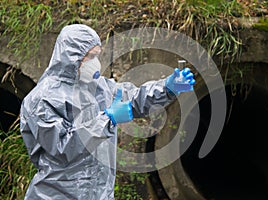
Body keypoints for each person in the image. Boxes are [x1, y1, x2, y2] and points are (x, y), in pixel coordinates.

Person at [20, 24, 195, 199]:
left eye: (98, 55)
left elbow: (134, 98)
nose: (96, 62)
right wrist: (108, 119)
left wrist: (167, 88)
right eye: (91, 56)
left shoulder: (99, 88)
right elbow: (62, 148)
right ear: (71, 56)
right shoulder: (42, 99)